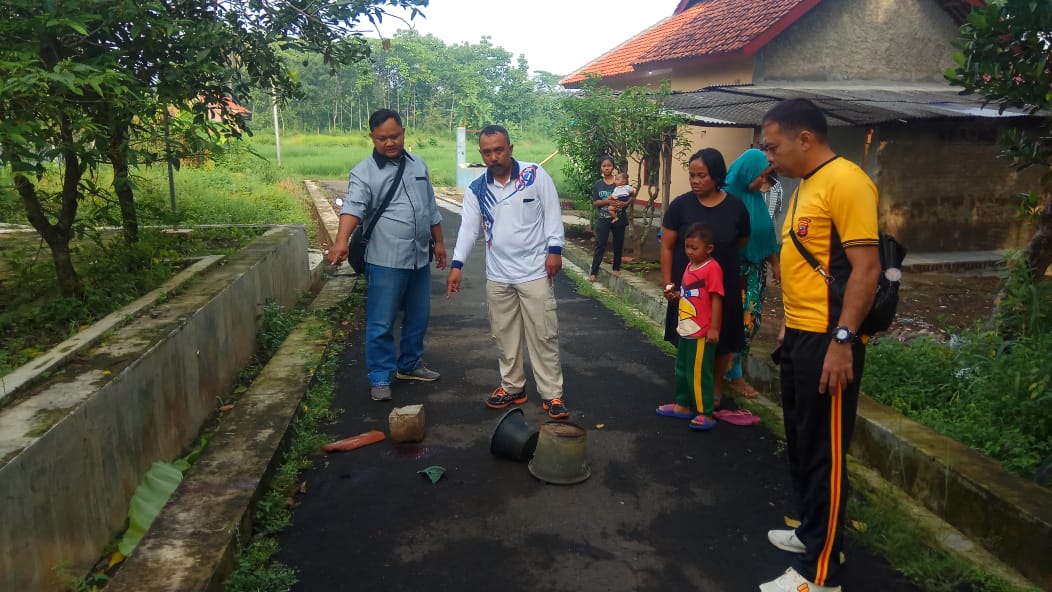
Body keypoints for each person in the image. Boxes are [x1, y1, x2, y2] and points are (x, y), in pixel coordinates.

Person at [758, 99, 881, 592]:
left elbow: (867, 269)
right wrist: (790, 323)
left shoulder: (847, 181)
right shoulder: (808, 184)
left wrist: (843, 340)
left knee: (826, 453)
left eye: (773, 146)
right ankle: (813, 534)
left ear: (804, 138)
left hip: (832, 341)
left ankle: (821, 572)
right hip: (802, 336)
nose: (769, 158)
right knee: (805, 443)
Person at [446, 125, 570, 420]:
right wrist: (457, 264)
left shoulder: (534, 176)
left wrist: (555, 250)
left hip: (535, 271)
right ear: (482, 154)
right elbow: (468, 228)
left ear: (510, 148)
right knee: (504, 336)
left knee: (543, 335)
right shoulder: (477, 189)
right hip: (498, 275)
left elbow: (552, 213)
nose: (494, 156)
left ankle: (552, 394)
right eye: (487, 152)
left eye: (499, 149)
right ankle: (513, 387)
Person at [327, 109, 446, 402]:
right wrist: (341, 242)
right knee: (381, 322)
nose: (390, 142)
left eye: (395, 136)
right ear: (372, 138)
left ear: (403, 132)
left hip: (419, 256)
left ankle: (409, 365)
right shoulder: (363, 172)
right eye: (383, 138)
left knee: (419, 317)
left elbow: (430, 207)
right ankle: (380, 376)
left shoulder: (419, 164)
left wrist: (439, 243)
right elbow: (352, 208)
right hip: (385, 259)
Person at [660, 148, 750, 410]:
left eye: (702, 176)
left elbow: (742, 240)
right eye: (692, 175)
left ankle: (715, 391)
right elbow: (667, 246)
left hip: (722, 290)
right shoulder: (681, 205)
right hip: (688, 291)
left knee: (722, 341)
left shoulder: (735, 206)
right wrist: (668, 283)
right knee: (688, 339)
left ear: (717, 177)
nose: (695, 180)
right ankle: (688, 394)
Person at [722, 149, 781, 400]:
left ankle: (731, 371)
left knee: (750, 324)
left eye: (766, 177)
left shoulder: (756, 200)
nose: (762, 183)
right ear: (746, 172)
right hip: (731, 272)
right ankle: (732, 375)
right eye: (760, 177)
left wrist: (776, 265)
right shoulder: (725, 199)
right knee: (732, 325)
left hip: (756, 273)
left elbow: (767, 236)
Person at [654, 222, 723, 431]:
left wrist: (713, 328)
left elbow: (717, 298)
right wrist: (676, 295)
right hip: (686, 329)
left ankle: (705, 412)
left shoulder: (712, 269)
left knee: (699, 372)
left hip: (701, 331)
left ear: (709, 248)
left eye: (695, 248)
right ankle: (682, 404)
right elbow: (690, 293)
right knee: (682, 368)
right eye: (687, 247)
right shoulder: (689, 266)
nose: (689, 252)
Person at [589, 156, 635, 281]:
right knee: (600, 244)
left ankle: (616, 269)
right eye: (604, 166)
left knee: (618, 244)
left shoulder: (619, 181)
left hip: (619, 219)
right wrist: (607, 201)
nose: (606, 168)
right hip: (603, 219)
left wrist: (625, 204)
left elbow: (631, 196)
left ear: (613, 167)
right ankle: (594, 272)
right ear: (601, 168)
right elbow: (595, 202)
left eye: (609, 165)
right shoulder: (598, 184)